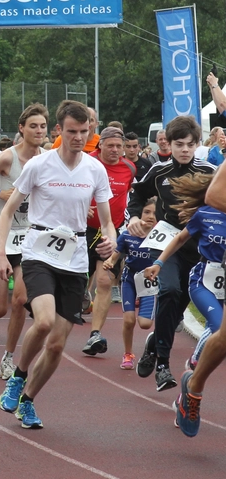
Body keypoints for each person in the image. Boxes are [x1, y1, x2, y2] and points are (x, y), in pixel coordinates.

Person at [0, 100, 114, 429]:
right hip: (39, 251)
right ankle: (18, 377)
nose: (78, 137)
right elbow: (7, 211)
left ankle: (28, 401)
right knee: (44, 322)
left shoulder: (95, 169)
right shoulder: (39, 165)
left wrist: (110, 239)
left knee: (58, 344)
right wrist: (0, 252)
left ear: (90, 132)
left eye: (84, 131)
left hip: (74, 257)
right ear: (59, 131)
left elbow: (106, 221)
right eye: (72, 131)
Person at [127, 116, 216, 391]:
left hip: (197, 247)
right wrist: (133, 217)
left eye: (191, 144)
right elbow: (137, 194)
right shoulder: (159, 171)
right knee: (168, 291)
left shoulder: (210, 171)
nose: (185, 150)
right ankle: (163, 366)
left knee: (176, 311)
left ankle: (155, 344)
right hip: (166, 243)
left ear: (198, 144)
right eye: (179, 144)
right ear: (169, 144)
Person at [0, 105, 48, 378]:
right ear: (21, 129)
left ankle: (8, 356)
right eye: (33, 126)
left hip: (30, 237)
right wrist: (1, 195)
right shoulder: (8, 158)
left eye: (42, 126)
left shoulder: (48, 159)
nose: (39, 131)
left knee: (20, 300)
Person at [170, 162, 226, 436]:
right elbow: (214, 195)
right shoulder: (208, 213)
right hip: (206, 277)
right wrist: (159, 261)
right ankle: (194, 386)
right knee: (223, 333)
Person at [82, 127, 136, 356]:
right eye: (110, 145)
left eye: (118, 146)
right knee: (73, 281)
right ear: (100, 145)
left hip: (108, 232)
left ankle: (94, 334)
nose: (115, 150)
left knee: (104, 282)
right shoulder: (86, 162)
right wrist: (82, 206)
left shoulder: (129, 168)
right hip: (79, 228)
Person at [102, 199, 157, 369]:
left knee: (145, 324)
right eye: (146, 212)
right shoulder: (127, 234)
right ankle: (128, 354)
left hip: (150, 282)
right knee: (128, 320)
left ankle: (151, 342)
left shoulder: (161, 237)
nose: (150, 216)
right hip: (130, 279)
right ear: (139, 214)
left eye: (155, 213)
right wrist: (110, 262)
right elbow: (116, 254)